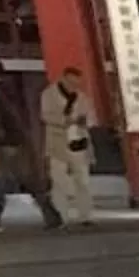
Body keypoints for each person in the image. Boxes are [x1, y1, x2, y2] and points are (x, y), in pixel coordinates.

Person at [0, 56, 64, 231]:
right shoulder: (13, 88)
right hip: (21, 138)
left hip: (6, 141)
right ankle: (53, 216)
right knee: (30, 180)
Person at [42, 65, 96, 228]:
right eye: (71, 82)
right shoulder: (49, 94)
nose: (74, 86)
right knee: (59, 180)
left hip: (79, 141)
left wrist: (84, 121)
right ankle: (61, 214)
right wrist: (66, 120)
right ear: (64, 79)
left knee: (83, 180)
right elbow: (45, 115)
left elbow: (91, 118)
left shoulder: (82, 97)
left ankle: (85, 215)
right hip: (58, 142)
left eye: (76, 83)